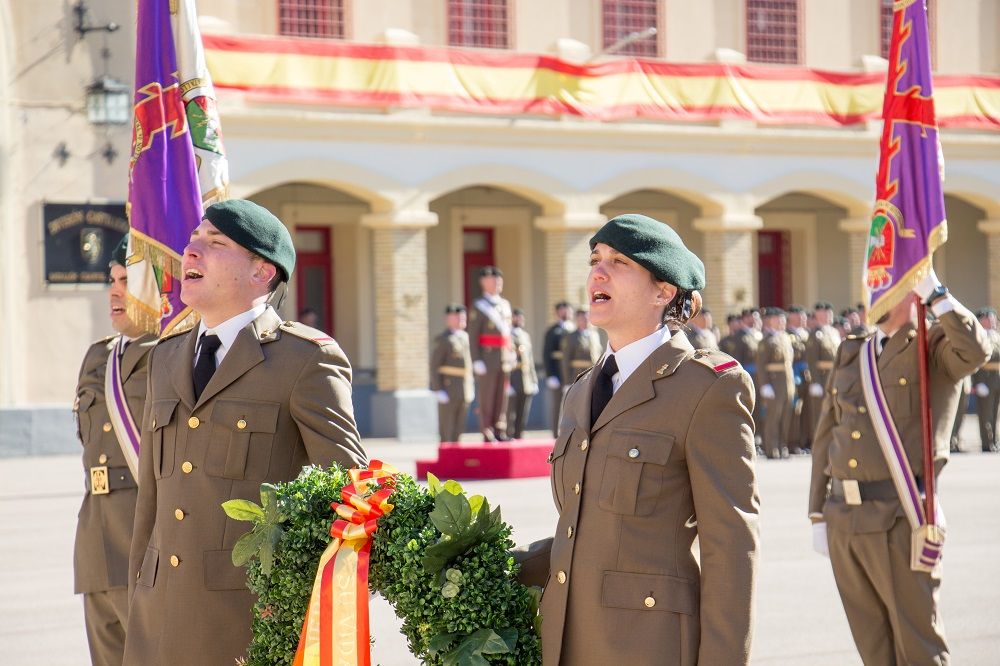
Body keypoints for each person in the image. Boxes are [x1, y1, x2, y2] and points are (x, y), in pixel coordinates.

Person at [124, 200, 367, 665]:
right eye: (194, 239)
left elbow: (349, 491)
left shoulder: (305, 360)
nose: (190, 251)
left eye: (215, 244)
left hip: (248, 618)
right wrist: (139, 587)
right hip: (159, 613)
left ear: (262, 272)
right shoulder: (166, 356)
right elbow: (151, 500)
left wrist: (298, 597)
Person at [515, 213, 759, 665]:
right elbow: (582, 530)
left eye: (619, 262)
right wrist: (481, 565)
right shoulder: (582, 391)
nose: (597, 272)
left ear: (664, 291)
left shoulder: (707, 387)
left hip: (650, 645)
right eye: (595, 259)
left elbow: (732, 546)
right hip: (566, 643)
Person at [809, 276, 989, 665]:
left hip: (899, 516)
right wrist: (817, 512)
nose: (873, 295)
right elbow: (827, 434)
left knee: (918, 648)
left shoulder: (932, 344)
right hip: (844, 517)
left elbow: (976, 351)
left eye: (887, 286)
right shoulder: (852, 350)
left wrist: (938, 296)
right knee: (873, 649)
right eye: (871, 287)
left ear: (913, 291)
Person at [73, 235, 157, 666]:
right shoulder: (97, 357)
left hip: (145, 542)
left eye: (126, 279)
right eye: (112, 279)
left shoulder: (172, 354)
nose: (114, 290)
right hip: (95, 543)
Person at [467, 265, 515, 441]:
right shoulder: (478, 306)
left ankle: (500, 427)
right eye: (493, 280)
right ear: (483, 283)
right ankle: (487, 429)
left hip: (504, 356)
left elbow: (508, 332)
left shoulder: (505, 305)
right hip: (487, 358)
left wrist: (512, 351)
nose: (497, 283)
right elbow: (473, 336)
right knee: (487, 395)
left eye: (499, 280)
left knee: (502, 395)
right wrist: (476, 359)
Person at [430, 304, 474, 443]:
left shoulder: (466, 337)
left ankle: (456, 459)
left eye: (463, 316)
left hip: (464, 388)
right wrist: (438, 390)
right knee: (447, 428)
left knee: (459, 428)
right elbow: (434, 366)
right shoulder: (444, 339)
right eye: (457, 317)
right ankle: (446, 459)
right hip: (448, 388)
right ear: (448, 319)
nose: (462, 319)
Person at [757, 307, 795, 459]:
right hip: (774, 382)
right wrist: (765, 385)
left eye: (783, 320)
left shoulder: (785, 337)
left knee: (786, 417)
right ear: (770, 321)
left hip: (787, 382)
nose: (781, 322)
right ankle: (771, 448)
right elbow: (761, 364)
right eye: (778, 319)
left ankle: (782, 446)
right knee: (773, 417)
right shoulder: (766, 340)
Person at [806, 301, 842, 443]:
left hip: (834, 375)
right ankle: (820, 441)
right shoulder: (815, 334)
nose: (828, 316)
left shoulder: (833, 332)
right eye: (824, 314)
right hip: (821, 377)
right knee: (820, 412)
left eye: (829, 314)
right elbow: (812, 360)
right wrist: (815, 382)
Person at [541, 301, 574, 436]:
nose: (565, 313)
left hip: (571, 371)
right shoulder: (552, 331)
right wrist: (550, 375)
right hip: (557, 370)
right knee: (557, 403)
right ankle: (555, 433)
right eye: (562, 310)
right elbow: (546, 353)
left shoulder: (573, 330)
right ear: (557, 313)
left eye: (567, 310)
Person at [506, 308, 539, 439]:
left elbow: (529, 360)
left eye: (520, 317)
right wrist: (506, 383)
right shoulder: (507, 335)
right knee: (510, 412)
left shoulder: (525, 336)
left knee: (523, 412)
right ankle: (509, 435)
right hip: (513, 377)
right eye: (515, 317)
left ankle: (519, 435)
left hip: (525, 378)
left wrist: (534, 379)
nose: (518, 320)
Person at [972, 307, 1000, 452]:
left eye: (993, 318)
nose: (992, 321)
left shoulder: (996, 336)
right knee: (985, 413)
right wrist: (979, 382)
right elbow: (977, 360)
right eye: (988, 318)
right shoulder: (980, 336)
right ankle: (986, 442)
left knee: (995, 413)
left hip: (997, 377)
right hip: (986, 378)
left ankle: (994, 440)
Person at [786, 305, 811, 453]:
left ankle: (804, 440)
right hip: (794, 374)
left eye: (804, 317)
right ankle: (792, 441)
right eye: (799, 317)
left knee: (806, 410)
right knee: (794, 410)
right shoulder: (787, 334)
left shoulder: (806, 333)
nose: (803, 319)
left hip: (805, 375)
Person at [559, 308, 602, 386]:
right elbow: (565, 360)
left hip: (594, 376)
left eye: (587, 318)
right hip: (577, 376)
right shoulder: (571, 337)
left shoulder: (594, 335)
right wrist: (567, 382)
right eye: (582, 318)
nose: (585, 320)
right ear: (577, 320)